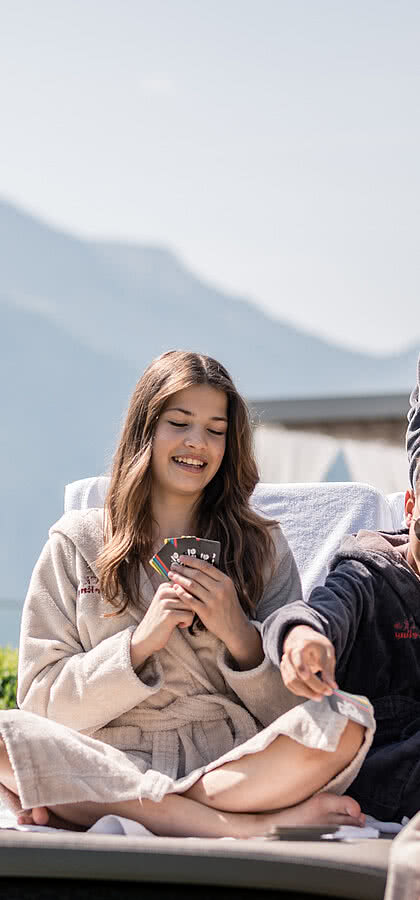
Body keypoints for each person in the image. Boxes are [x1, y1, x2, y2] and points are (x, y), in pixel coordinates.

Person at [0, 350, 373, 838]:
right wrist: (136, 648)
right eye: (180, 422)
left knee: (347, 720)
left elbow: (296, 709)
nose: (197, 443)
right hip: (109, 756)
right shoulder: (78, 541)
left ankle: (145, 810)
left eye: (216, 430)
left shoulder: (261, 548)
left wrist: (241, 637)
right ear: (146, 429)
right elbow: (40, 705)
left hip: (228, 765)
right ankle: (246, 828)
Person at [263, 353, 420, 825]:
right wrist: (301, 638)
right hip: (380, 773)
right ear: (409, 506)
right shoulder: (370, 574)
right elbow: (315, 614)